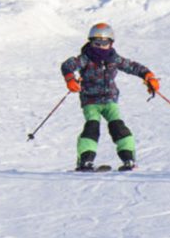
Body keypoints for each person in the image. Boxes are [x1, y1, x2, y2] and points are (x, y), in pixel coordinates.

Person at [60, 22, 159, 172]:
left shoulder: (114, 58)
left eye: (104, 43)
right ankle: (85, 161)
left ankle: (129, 159)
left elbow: (132, 66)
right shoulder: (86, 58)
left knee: (117, 126)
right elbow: (68, 65)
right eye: (96, 43)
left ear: (111, 43)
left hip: (110, 100)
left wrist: (148, 75)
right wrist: (70, 78)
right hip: (90, 100)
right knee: (92, 126)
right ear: (90, 42)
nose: (100, 47)